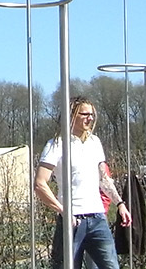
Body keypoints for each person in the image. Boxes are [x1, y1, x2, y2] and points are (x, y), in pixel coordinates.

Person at [34, 96, 131, 269]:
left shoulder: (95, 142)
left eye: (92, 114)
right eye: (85, 114)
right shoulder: (56, 144)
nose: (90, 118)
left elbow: (103, 178)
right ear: (72, 115)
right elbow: (40, 184)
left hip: (98, 218)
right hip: (72, 221)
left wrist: (120, 203)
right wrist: (64, 211)